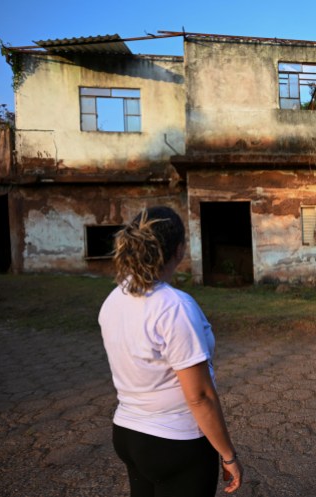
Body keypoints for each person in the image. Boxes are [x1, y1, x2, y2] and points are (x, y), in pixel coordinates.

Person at [99, 206, 243, 496]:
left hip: (128, 434)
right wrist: (228, 455)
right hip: (175, 442)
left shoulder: (114, 298)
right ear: (179, 250)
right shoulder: (174, 306)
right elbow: (200, 397)